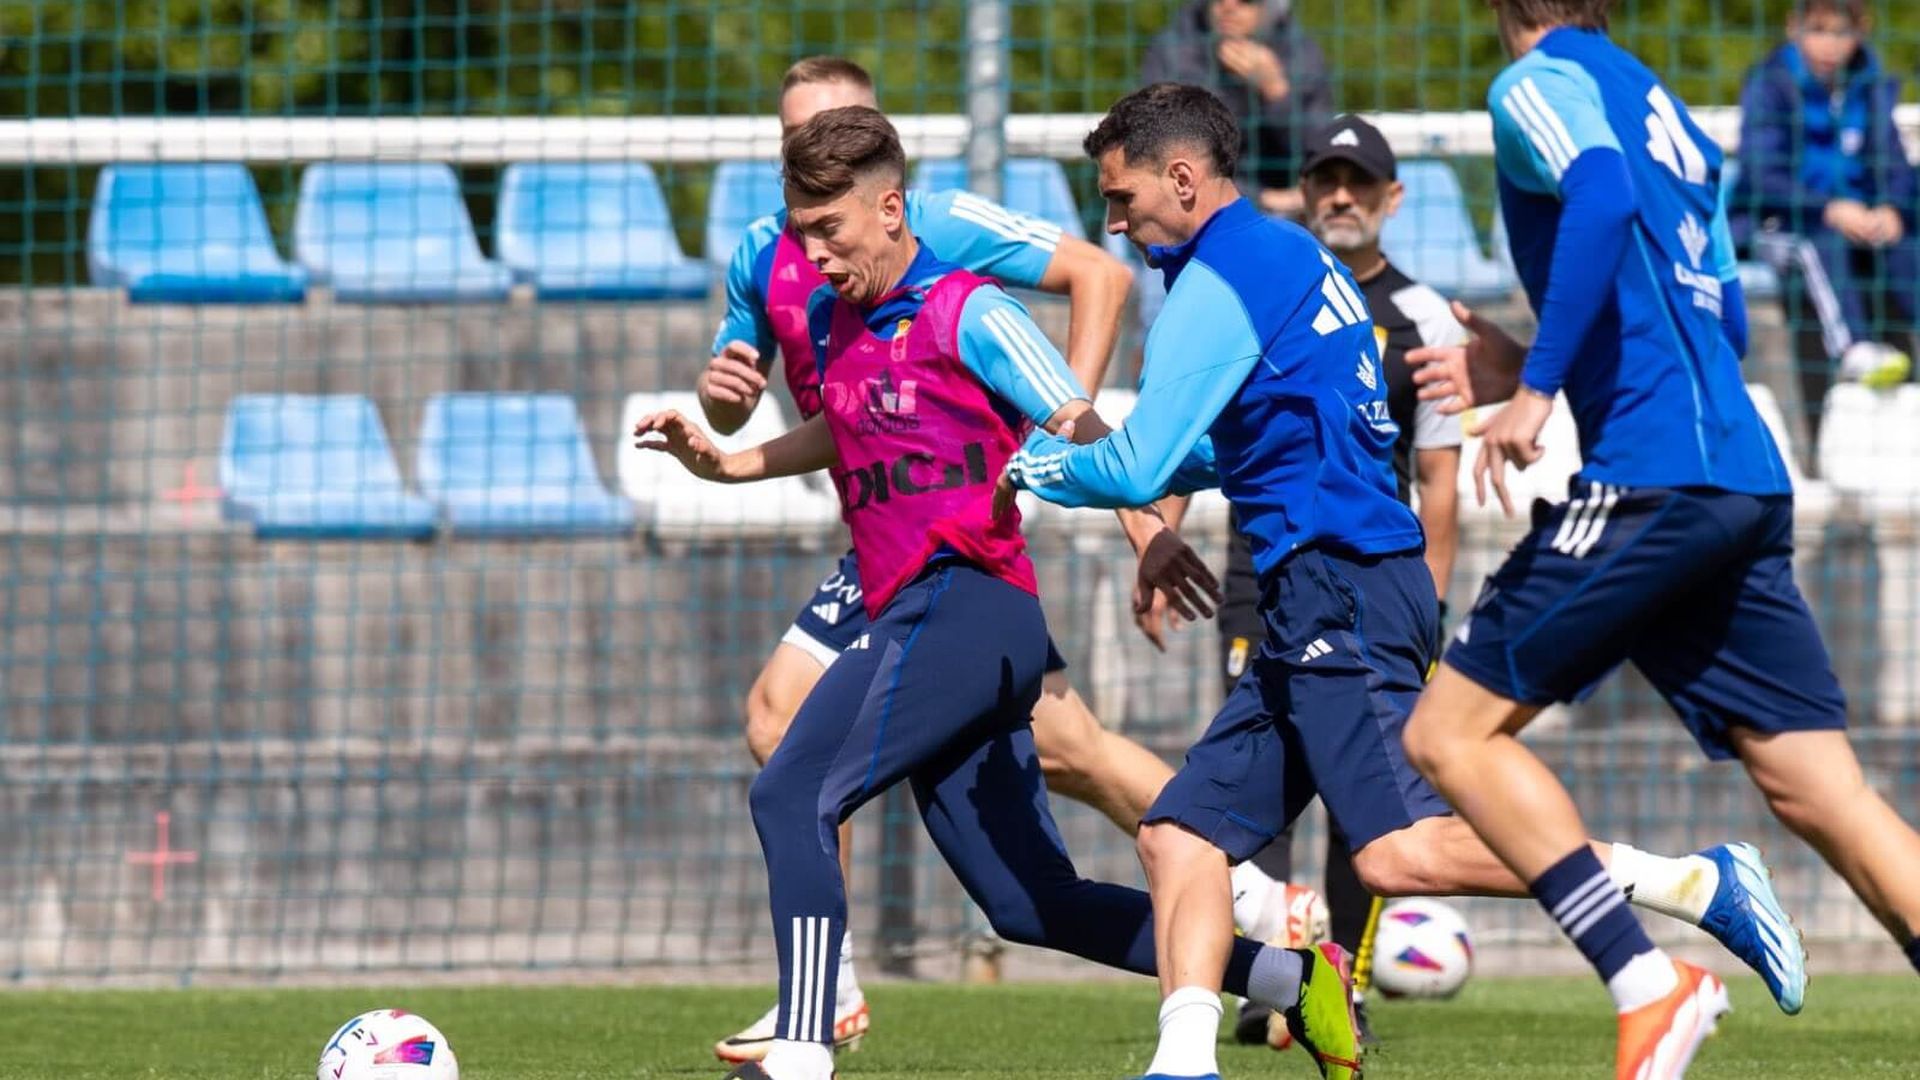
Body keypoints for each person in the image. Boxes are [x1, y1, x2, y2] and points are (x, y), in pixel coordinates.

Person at [1005, 81, 1806, 1080]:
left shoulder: (1219, 282)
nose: (1112, 221)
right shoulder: (1289, 256)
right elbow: (1260, 441)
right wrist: (1142, 464)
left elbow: (1131, 468)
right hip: (1324, 594)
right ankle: (1185, 1063)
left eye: (1121, 199)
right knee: (1177, 835)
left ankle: (1688, 882)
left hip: (1339, 587)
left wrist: (1034, 465)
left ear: (1180, 178)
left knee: (1396, 855)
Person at [641, 104, 1359, 1080]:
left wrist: (1150, 536)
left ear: (891, 208)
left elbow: (1077, 424)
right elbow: (841, 426)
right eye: (800, 232)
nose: (811, 254)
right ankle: (1287, 980)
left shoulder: (971, 311)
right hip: (923, 615)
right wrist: (726, 463)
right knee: (1029, 905)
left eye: (829, 229)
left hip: (972, 601)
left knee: (792, 788)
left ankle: (802, 1049)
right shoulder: (830, 315)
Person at [1397, 2, 1920, 1077]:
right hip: (1738, 473)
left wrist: (1537, 386)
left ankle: (1652, 984)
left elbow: (1598, 194)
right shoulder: (1664, 102)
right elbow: (1720, 321)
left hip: (1653, 477)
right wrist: (1545, 365)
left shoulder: (1534, 84)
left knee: (1449, 737)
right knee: (1824, 792)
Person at [1165, 112, 1467, 1051]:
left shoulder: (1420, 319)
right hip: (1265, 573)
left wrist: (1427, 607)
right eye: (1326, 179)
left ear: (1392, 198)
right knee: (1228, 810)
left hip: (1362, 578)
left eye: (1360, 182)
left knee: (1374, 827)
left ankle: (1355, 978)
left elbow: (1438, 485)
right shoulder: (1272, 284)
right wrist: (1159, 535)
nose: (1342, 196)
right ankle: (1269, 987)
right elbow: (1199, 426)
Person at [1729, 0, 1915, 407]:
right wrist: (1828, 207)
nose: (1830, 44)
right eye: (1818, 30)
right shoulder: (1769, 84)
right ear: (1793, 26)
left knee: (1906, 243)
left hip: (1856, 220)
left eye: (1841, 32)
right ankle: (1854, 349)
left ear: (1861, 30)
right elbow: (1762, 172)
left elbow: (1893, 163)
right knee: (1818, 242)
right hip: (1778, 223)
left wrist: (1892, 209)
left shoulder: (1868, 87)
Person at [1140, 0, 1331, 218]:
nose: (1228, 6)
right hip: (1190, 202)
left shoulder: (1302, 55)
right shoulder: (1174, 52)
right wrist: (1262, 198)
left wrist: (1277, 93)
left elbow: (1319, 148)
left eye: (1246, 1)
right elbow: (1156, 150)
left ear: (1274, 9)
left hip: (1289, 202)